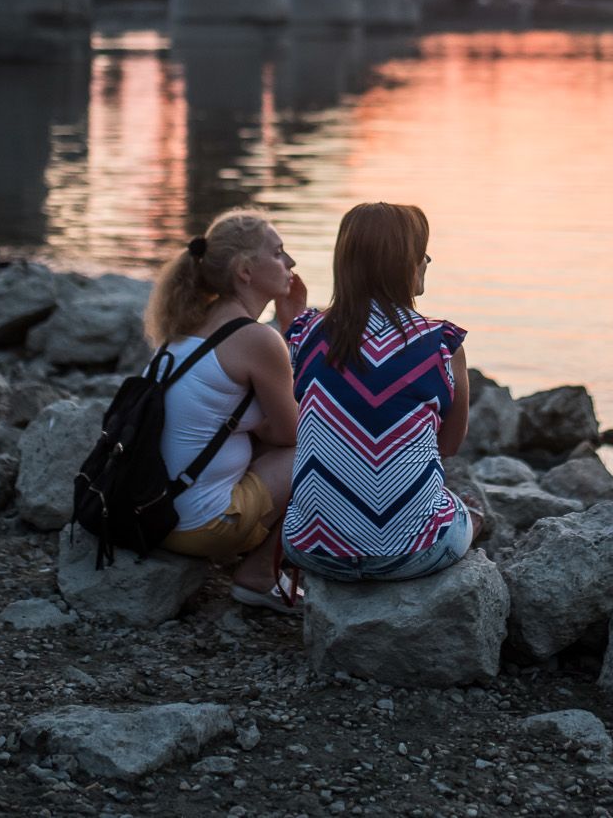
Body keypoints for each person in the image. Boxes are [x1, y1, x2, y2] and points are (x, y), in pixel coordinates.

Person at [281, 202, 479, 581]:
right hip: (411, 555)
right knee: (464, 512)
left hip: (311, 549)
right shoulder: (442, 344)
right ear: (404, 264)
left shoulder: (306, 335)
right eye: (421, 252)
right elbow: (450, 446)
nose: (427, 261)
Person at [145, 208, 309, 612]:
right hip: (201, 527)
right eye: (278, 252)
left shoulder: (189, 326)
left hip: (152, 515)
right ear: (245, 271)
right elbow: (294, 435)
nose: (290, 263)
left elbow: (262, 428)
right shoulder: (256, 340)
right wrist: (293, 329)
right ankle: (259, 575)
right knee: (329, 447)